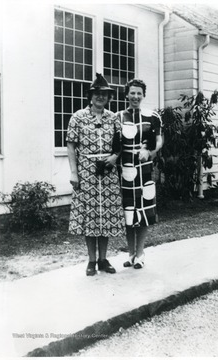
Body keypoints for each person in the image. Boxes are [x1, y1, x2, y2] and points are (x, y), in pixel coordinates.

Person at [66, 73, 125, 276]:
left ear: (109, 97)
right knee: (90, 216)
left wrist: (114, 158)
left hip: (108, 171)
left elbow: (120, 145)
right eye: (97, 94)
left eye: (104, 94)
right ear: (90, 96)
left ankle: (103, 259)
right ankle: (91, 260)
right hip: (87, 171)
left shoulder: (113, 118)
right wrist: (74, 172)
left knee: (106, 215)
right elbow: (71, 146)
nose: (100, 97)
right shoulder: (78, 117)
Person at [116, 79, 163, 269]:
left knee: (143, 210)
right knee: (129, 211)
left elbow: (159, 141)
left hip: (145, 169)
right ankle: (130, 253)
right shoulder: (118, 117)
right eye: (132, 93)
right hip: (126, 169)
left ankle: (140, 253)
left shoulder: (152, 116)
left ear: (143, 95)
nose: (135, 96)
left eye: (139, 93)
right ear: (126, 94)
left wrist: (150, 152)